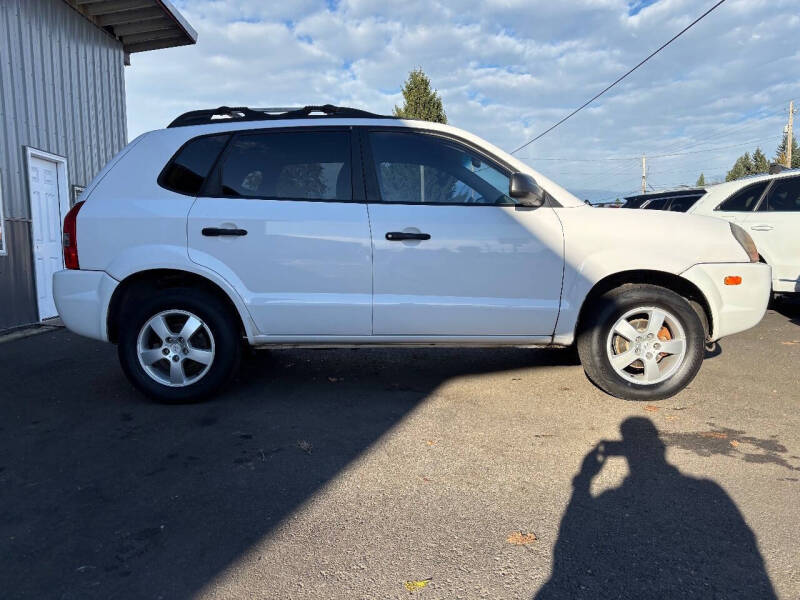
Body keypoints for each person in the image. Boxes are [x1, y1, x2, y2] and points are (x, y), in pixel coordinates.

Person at [535, 417, 776, 599]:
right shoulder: (709, 490)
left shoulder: (609, 498)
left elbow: (573, 532)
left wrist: (584, 480)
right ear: (661, 448)